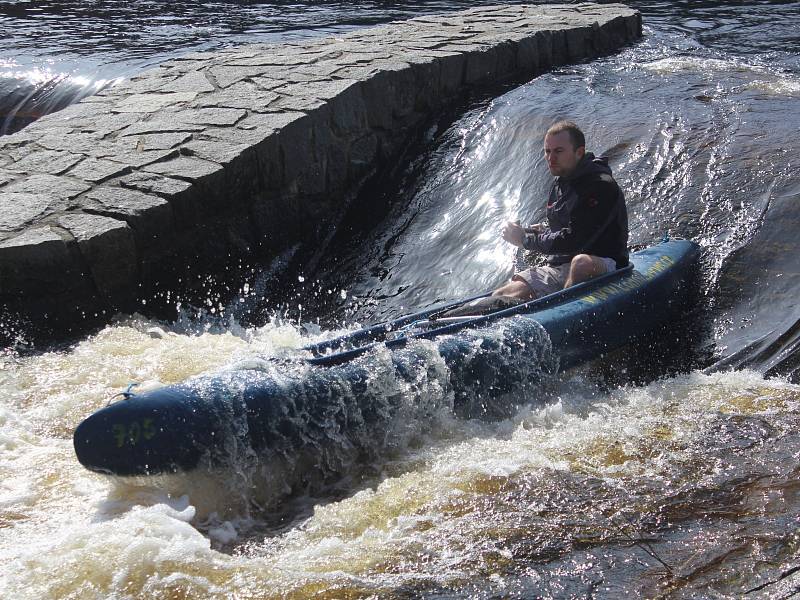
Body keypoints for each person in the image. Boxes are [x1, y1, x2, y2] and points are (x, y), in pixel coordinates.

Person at [493, 120, 628, 300]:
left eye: (558, 151)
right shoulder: (561, 183)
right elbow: (561, 231)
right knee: (503, 295)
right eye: (547, 151)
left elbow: (574, 239)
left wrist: (526, 240)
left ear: (579, 152)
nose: (550, 158)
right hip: (563, 265)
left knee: (580, 264)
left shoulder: (601, 186)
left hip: (606, 263)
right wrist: (535, 231)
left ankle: (563, 310)